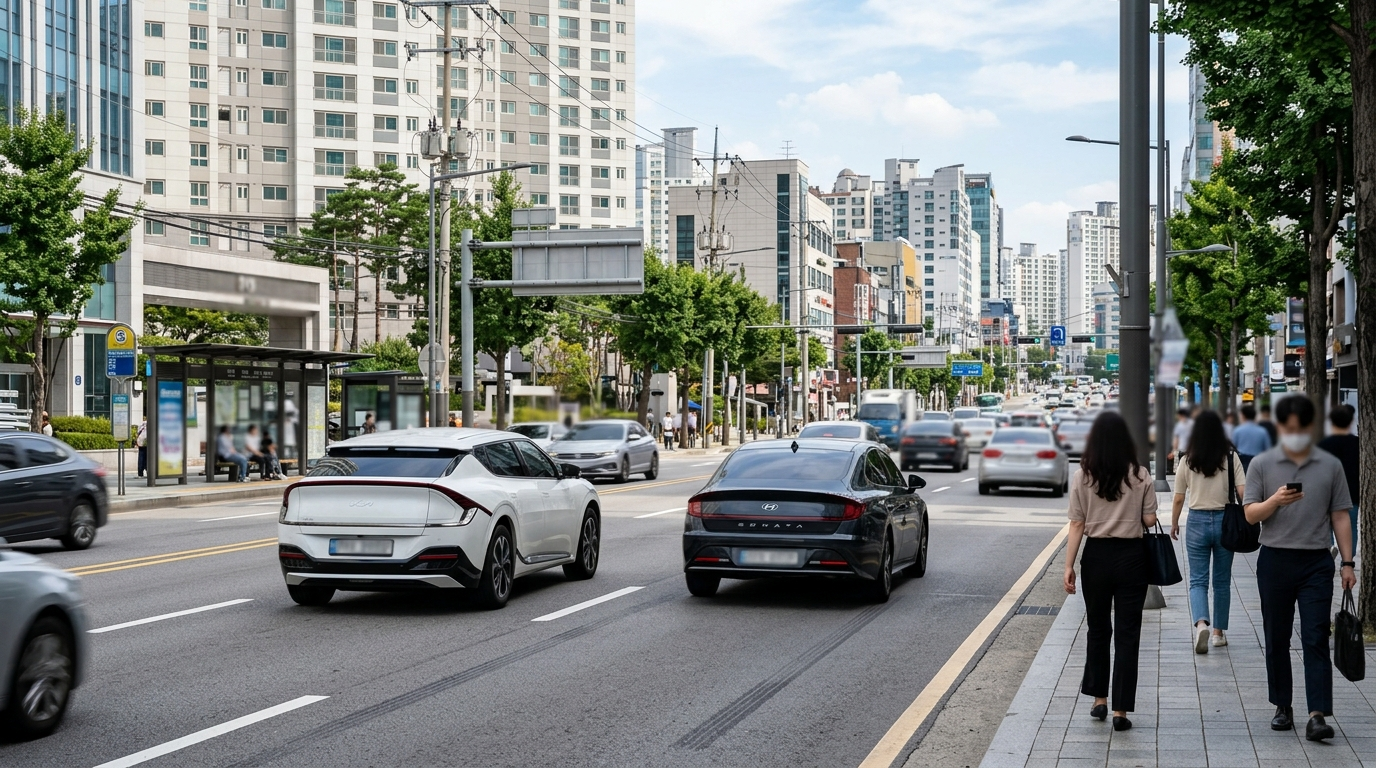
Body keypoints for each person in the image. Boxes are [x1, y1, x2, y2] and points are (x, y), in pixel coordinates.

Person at [1242, 395, 1355, 741]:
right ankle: (1282, 706)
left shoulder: (1330, 465)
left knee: (1315, 636)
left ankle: (1317, 714)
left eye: (1299, 428)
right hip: (1274, 559)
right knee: (1276, 636)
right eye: (1287, 428)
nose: (1293, 434)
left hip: (1316, 562)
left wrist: (1348, 563)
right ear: (1279, 428)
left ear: (1309, 428)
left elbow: (1340, 515)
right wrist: (1274, 501)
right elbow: (1250, 515)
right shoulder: (1261, 464)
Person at [1063, 411, 1159, 733]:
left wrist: (1068, 566)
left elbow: (1077, 524)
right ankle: (1121, 710)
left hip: (1097, 558)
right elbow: (1148, 522)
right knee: (1128, 633)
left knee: (1098, 629)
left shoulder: (1083, 477)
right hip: (1132, 558)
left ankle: (1098, 700)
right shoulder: (1141, 475)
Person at [1170, 410, 1246, 653]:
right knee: (1222, 581)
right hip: (1226, 522)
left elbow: (1179, 498)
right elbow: (1244, 493)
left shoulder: (1187, 459)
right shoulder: (1231, 456)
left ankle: (1201, 623)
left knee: (1198, 581)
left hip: (1196, 521)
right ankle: (1217, 633)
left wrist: (1174, 523)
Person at [1317, 404, 1359, 557]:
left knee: (1327, 525)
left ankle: (1329, 550)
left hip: (1328, 493)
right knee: (1351, 525)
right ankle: (1348, 558)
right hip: (1352, 492)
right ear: (1350, 422)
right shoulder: (1358, 444)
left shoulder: (1323, 445)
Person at [1233, 405, 1272, 472]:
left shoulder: (1237, 431)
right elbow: (1268, 449)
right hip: (1258, 461)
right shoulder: (1262, 431)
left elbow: (1233, 447)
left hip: (1242, 461)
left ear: (1243, 416)